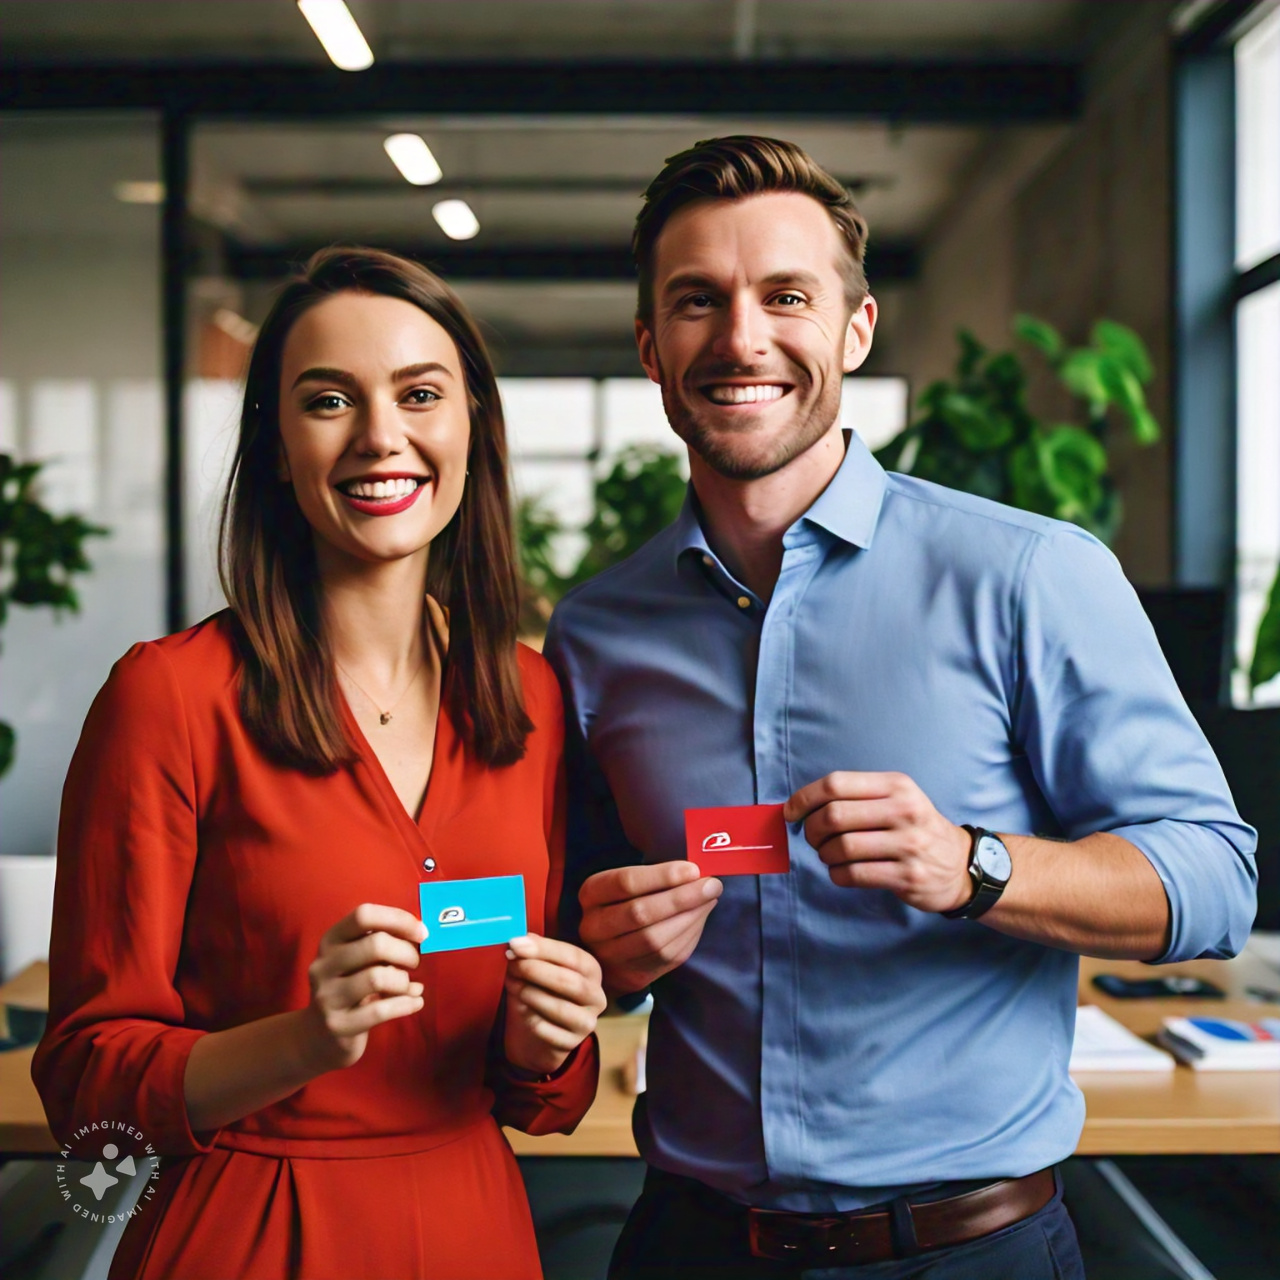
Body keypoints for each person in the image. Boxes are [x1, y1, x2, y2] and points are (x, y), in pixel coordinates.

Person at [544, 137, 1258, 1279]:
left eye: (785, 296)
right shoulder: (593, 633)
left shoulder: (1028, 573)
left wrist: (972, 864)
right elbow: (572, 926)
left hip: (969, 1251)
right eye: (696, 302)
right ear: (649, 346)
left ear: (854, 330)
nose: (739, 339)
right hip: (687, 1243)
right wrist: (607, 950)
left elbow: (1214, 879)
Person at [33, 247, 606, 1280]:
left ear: (472, 423)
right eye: (329, 400)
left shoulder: (530, 699)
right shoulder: (168, 696)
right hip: (250, 1234)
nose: (381, 436)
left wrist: (545, 1041)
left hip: (476, 1223)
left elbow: (546, 1095)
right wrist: (301, 1037)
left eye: (419, 394)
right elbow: (85, 1081)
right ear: (276, 443)